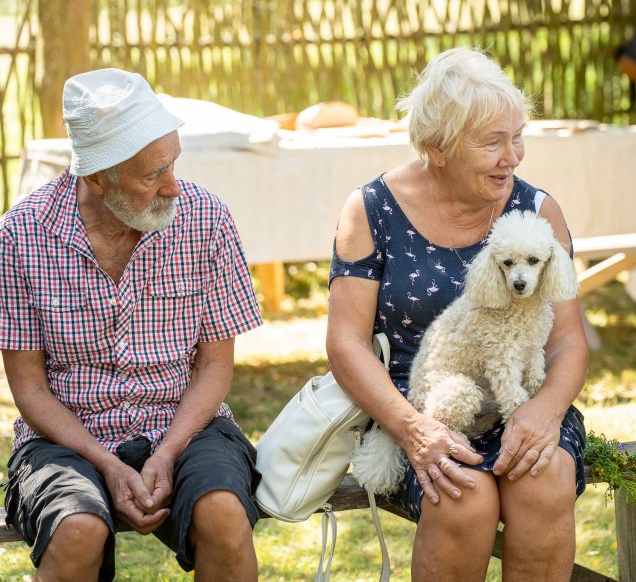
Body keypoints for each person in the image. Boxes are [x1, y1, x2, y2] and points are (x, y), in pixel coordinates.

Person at [325, 48, 587, 580]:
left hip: (521, 395)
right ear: (437, 148)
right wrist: (414, 430)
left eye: (517, 137)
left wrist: (545, 411)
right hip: (420, 408)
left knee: (545, 477)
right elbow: (345, 343)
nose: (512, 156)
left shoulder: (536, 212)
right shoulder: (370, 210)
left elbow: (566, 342)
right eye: (492, 142)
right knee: (464, 498)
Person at [0, 69, 263, 580]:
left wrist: (167, 452)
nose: (172, 186)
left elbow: (213, 365)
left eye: (173, 164)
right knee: (77, 529)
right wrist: (107, 463)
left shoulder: (206, 219)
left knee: (223, 515)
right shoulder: (20, 236)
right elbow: (29, 389)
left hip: (186, 424)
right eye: (151, 175)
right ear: (96, 179)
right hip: (66, 436)